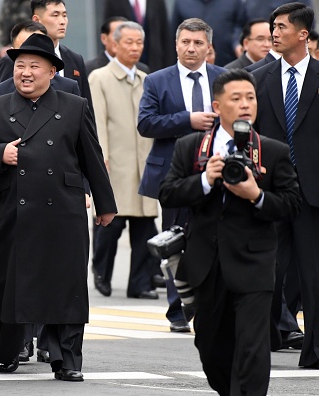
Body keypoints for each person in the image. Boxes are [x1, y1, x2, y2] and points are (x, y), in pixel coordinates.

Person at [0, 33, 117, 381]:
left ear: (52, 71)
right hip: (17, 214)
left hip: (65, 211)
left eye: (35, 66)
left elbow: (91, 157)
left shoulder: (73, 105)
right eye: (20, 66)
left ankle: (67, 358)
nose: (26, 73)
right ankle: (11, 345)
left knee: (67, 286)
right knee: (3, 283)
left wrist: (106, 205)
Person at [159, 68, 300, 396]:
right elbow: (167, 193)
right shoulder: (192, 147)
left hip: (255, 264)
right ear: (218, 106)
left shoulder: (272, 151)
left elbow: (292, 204)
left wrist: (257, 195)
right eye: (236, 99)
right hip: (206, 264)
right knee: (212, 349)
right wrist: (205, 181)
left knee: (253, 348)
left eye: (250, 98)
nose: (245, 105)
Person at [138, 18, 226, 333]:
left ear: (208, 46)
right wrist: (188, 120)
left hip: (215, 172)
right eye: (186, 42)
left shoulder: (224, 78)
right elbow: (146, 124)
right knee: (175, 239)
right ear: (176, 44)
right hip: (173, 176)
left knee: (214, 238)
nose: (191, 48)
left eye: (198, 43)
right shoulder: (157, 81)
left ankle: (210, 303)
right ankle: (178, 310)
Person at [251, 2, 319, 369]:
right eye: (271, 26)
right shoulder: (256, 78)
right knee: (266, 272)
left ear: (303, 34)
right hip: (269, 192)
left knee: (313, 276)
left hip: (313, 194)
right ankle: (260, 346)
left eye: (280, 27)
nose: (273, 32)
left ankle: (315, 352)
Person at [88, 21, 159, 299]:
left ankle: (139, 284)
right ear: (114, 44)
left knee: (144, 227)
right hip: (114, 163)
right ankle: (101, 272)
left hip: (144, 163)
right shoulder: (99, 78)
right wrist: (101, 157)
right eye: (128, 42)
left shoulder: (146, 79)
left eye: (139, 42)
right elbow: (97, 121)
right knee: (110, 224)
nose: (134, 47)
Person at [171, 0, 247, 68]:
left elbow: (240, 25)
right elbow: (174, 32)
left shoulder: (234, 2)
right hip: (190, 62)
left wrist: (236, 42)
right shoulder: (182, 2)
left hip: (226, 57)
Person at [102, 0, 175, 72]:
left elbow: (165, 35)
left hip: (155, 63)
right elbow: (109, 32)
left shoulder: (157, 2)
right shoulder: (112, 2)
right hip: (123, 68)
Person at [85, 16, 150, 75]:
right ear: (104, 38)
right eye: (116, 34)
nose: (134, 48)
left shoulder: (142, 70)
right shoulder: (90, 69)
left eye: (138, 42)